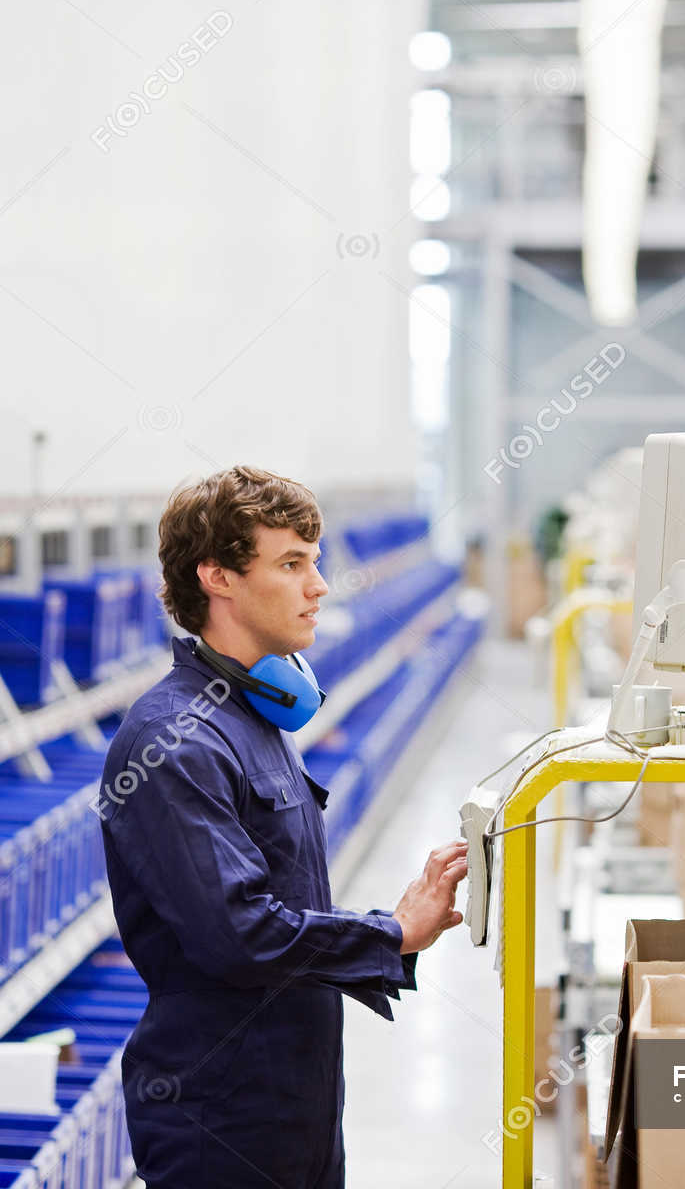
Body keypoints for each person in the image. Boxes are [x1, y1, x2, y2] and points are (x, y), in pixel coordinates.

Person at [97, 465, 469, 1188]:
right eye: (292, 564)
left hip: (295, 1096)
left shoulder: (254, 714)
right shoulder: (173, 741)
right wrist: (389, 933)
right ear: (218, 578)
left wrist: (390, 935)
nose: (318, 585)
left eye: (315, 562)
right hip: (221, 1118)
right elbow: (239, 934)